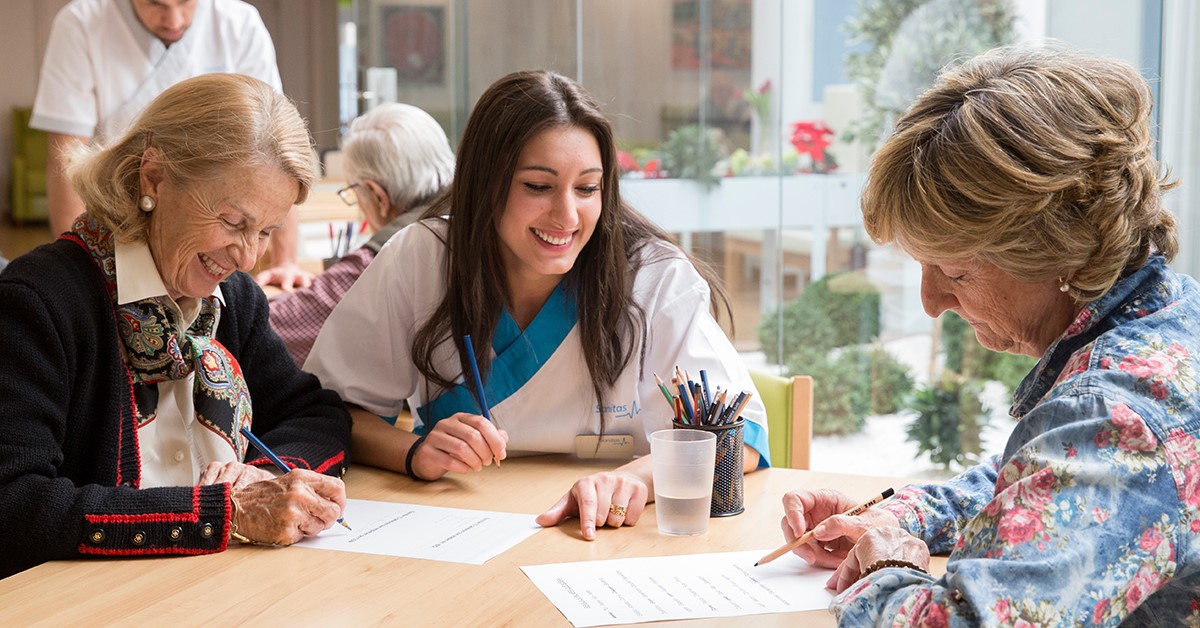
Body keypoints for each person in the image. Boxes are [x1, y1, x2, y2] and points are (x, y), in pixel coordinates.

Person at [776, 46, 1200, 625]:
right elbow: (1050, 485)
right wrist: (902, 515)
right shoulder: (1174, 313)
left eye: (955, 272)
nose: (931, 303)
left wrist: (883, 572)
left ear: (1058, 249)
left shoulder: (1116, 418)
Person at [305, 70, 771, 541]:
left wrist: (635, 478)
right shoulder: (422, 257)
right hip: (459, 522)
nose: (567, 216)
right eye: (538, 186)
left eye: (587, 188)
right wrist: (412, 452)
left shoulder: (653, 277)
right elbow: (329, 410)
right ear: (486, 184)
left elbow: (741, 440)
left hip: (614, 530)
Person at [0, 73, 352, 578]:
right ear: (154, 178)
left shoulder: (233, 299)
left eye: (267, 232)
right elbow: (13, 505)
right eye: (233, 222)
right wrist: (221, 515)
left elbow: (318, 415)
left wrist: (269, 479)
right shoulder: (41, 303)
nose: (249, 256)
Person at [31, 0, 310, 290]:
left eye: (185, 3)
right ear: (153, 175)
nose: (174, 20)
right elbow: (66, 157)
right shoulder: (81, 23)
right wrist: (77, 268)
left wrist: (286, 261)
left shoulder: (239, 24)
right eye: (155, 4)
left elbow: (276, 156)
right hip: (113, 222)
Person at [269, 103, 455, 367]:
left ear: (378, 196)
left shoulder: (392, 250)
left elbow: (272, 332)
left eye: (354, 192)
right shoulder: (475, 208)